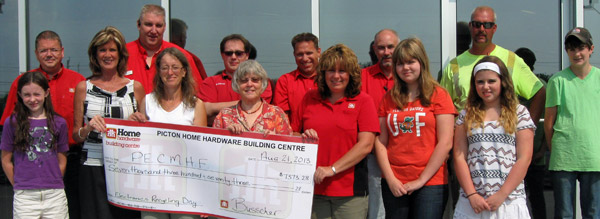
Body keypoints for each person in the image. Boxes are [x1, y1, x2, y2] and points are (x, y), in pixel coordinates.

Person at [0, 30, 85, 218]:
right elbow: (9, 125)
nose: (49, 54)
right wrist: (19, 183)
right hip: (28, 168)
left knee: (74, 211)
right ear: (36, 53)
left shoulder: (78, 81)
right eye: (43, 50)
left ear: (62, 51)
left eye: (53, 49)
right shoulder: (21, 83)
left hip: (69, 160)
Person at [292, 44, 380, 219]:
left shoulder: (363, 101)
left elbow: (366, 145)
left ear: (351, 74)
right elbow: (292, 134)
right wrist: (302, 136)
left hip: (350, 193)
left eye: (342, 71)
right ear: (323, 73)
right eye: (331, 70)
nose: (336, 76)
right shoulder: (309, 98)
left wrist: (331, 170)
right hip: (312, 189)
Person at [374, 38, 455, 218]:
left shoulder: (439, 95)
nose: (406, 68)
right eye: (400, 63)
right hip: (395, 182)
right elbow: (380, 142)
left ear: (422, 62)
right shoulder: (388, 98)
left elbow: (445, 142)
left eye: (411, 62)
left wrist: (420, 180)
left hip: (430, 183)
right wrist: (391, 179)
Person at [72, 26, 145, 219]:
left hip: (126, 167)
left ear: (120, 55)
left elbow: (144, 133)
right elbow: (76, 135)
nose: (107, 54)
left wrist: (136, 122)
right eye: (102, 50)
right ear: (94, 55)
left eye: (112, 50)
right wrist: (88, 128)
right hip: (92, 166)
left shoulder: (135, 88)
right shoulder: (83, 88)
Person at [453, 56, 534, 218]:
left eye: (491, 81)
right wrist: (472, 195)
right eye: (480, 82)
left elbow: (524, 158)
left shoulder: (520, 113)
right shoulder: (466, 114)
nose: (486, 87)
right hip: (473, 203)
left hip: (509, 201)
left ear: (502, 81)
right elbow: (459, 156)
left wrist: (501, 194)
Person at [440, 6, 545, 124]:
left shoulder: (511, 59)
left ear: (494, 28)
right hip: (467, 138)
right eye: (477, 24)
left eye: (487, 25)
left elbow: (539, 93)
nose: (481, 29)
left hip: (505, 138)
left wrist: (528, 129)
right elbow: (443, 105)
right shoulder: (454, 65)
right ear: (470, 26)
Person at [141, 48, 207, 219]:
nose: (170, 72)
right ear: (159, 72)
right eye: (164, 68)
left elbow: (201, 151)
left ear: (184, 72)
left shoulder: (195, 105)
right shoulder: (147, 101)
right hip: (152, 186)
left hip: (185, 187)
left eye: (175, 67)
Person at [545, 27, 600, 219]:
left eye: (581, 48)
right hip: (563, 157)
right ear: (566, 51)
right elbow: (549, 122)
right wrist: (556, 149)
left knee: (593, 212)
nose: (577, 53)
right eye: (571, 48)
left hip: (594, 156)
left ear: (591, 49)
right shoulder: (557, 81)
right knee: (564, 213)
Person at [1, 71, 69, 218]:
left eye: (37, 94)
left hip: (54, 196)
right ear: (19, 95)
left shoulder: (59, 122)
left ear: (46, 93)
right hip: (25, 197)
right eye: (27, 95)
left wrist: (54, 180)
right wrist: (19, 184)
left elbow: (62, 158)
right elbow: (6, 159)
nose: (32, 99)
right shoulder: (12, 122)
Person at [361, 28, 400, 219]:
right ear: (375, 50)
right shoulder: (362, 77)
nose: (386, 52)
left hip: (404, 152)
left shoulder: (409, 76)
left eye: (391, 47)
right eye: (381, 48)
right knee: (377, 209)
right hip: (374, 154)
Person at [126, 4, 207, 94]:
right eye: (148, 24)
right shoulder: (123, 54)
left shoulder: (181, 56)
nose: (153, 30)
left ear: (164, 27)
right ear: (138, 25)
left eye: (158, 26)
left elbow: (196, 94)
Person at [200, 34, 272, 125]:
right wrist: (246, 104)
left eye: (239, 53)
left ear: (247, 55)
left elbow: (258, 108)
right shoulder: (209, 83)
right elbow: (203, 111)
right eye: (228, 53)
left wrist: (215, 108)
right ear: (222, 55)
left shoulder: (260, 81)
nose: (233, 57)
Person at [214, 60, 291, 135]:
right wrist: (225, 134)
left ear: (263, 83)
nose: (249, 84)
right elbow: (213, 144)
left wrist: (276, 140)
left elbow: (289, 145)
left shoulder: (277, 114)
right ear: (237, 84)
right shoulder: (224, 115)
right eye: (244, 80)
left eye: (255, 80)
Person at [515, 47, 547, 219]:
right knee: (519, 198)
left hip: (536, 156)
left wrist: (542, 150)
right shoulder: (511, 88)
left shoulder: (542, 87)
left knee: (535, 198)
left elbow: (550, 121)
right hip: (515, 154)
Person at [273, 32, 320, 123]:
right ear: (294, 54)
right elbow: (282, 118)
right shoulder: (285, 81)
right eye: (300, 54)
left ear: (318, 52)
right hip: (296, 135)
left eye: (309, 53)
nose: (305, 58)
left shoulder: (330, 79)